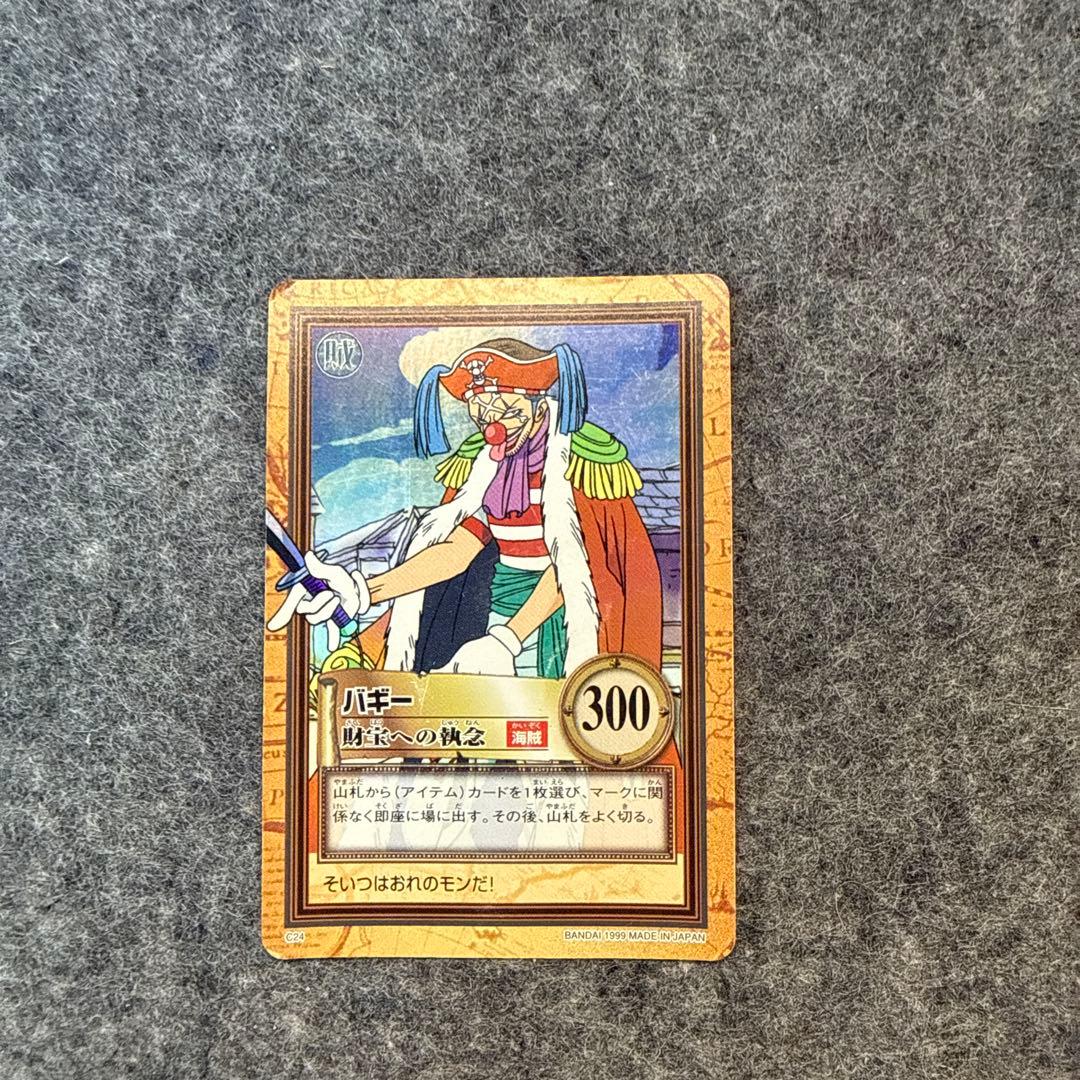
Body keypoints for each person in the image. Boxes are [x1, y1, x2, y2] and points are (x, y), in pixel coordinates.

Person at [269, 337, 663, 679]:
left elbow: (579, 566)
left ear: (538, 404)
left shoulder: (581, 457)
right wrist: (363, 591)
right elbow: (457, 551)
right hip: (491, 612)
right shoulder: (484, 463)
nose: (494, 428)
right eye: (482, 416)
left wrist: (509, 639)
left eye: (508, 413)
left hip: (556, 624)